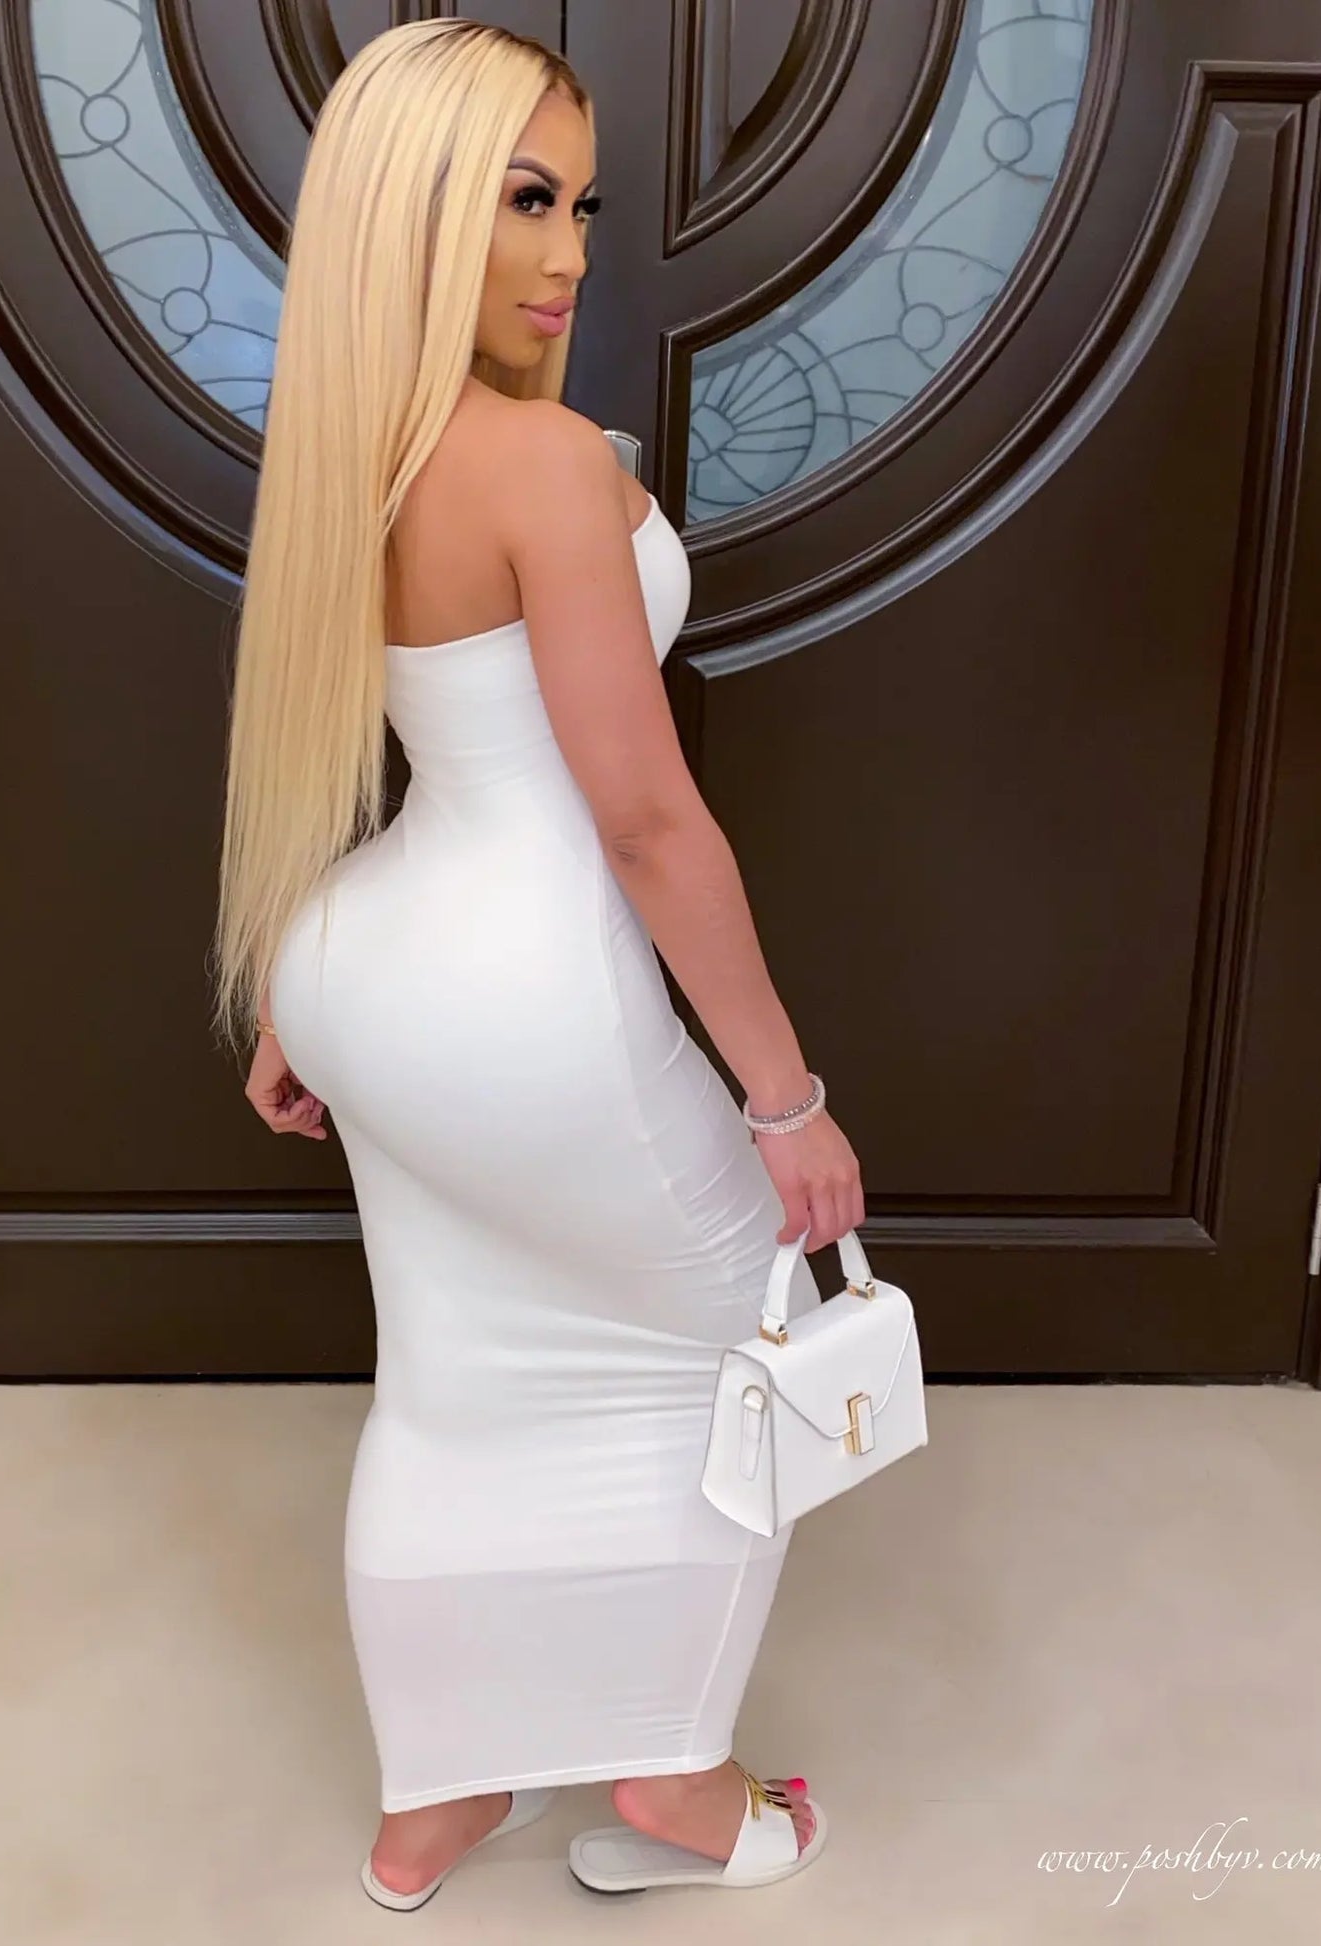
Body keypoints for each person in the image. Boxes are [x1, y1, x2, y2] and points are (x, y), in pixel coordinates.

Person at [210, 17, 864, 1909]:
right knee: (744, 1318)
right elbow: (644, 822)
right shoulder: (542, 464)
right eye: (520, 200)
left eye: (579, 204)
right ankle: (673, 1773)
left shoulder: (353, 442)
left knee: (453, 1373)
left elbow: (386, 737)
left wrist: (300, 994)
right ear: (414, 209)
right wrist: (785, 1100)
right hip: (520, 989)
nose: (567, 250)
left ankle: (432, 1798)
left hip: (371, 959)